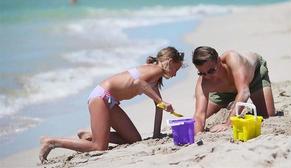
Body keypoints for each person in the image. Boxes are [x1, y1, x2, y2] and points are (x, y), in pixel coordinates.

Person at [39, 46, 184, 163]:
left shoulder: (154, 77)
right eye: (176, 69)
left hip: (110, 102)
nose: (175, 74)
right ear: (169, 61)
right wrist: (161, 102)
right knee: (99, 147)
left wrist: (156, 133)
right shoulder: (155, 69)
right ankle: (52, 142)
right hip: (101, 97)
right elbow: (138, 82)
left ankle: (89, 135)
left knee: (134, 139)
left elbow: (158, 106)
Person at [192, 46, 276, 134]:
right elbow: (199, 115)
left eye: (211, 71)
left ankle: (236, 103)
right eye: (202, 73)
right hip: (224, 90)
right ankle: (234, 103)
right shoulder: (204, 81)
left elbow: (244, 92)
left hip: (253, 78)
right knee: (201, 118)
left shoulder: (232, 58)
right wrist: (197, 134)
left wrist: (228, 124)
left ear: (219, 61)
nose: (208, 77)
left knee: (267, 115)